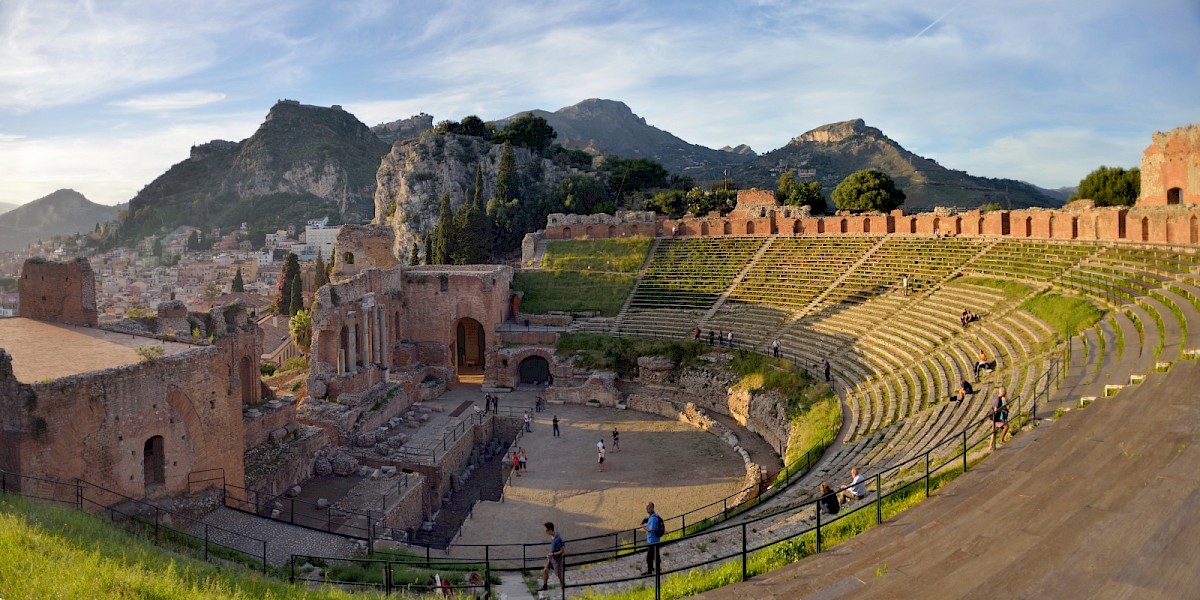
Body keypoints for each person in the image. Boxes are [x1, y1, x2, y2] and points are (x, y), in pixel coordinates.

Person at [540, 522, 566, 592]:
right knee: (545, 570)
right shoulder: (553, 536)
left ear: (550, 530)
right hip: (551, 558)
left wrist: (552, 554)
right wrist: (551, 555)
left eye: (546, 530)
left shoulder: (558, 539)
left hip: (557, 560)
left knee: (559, 575)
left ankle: (563, 587)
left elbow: (562, 551)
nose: (545, 532)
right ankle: (545, 586)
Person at [642, 502, 665, 576]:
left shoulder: (653, 519)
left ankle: (650, 571)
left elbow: (651, 531)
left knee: (649, 557)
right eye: (647, 507)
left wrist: (644, 527)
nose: (647, 509)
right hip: (655, 540)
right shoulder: (654, 516)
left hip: (652, 541)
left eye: (649, 507)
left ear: (652, 508)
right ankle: (657, 570)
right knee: (655, 556)